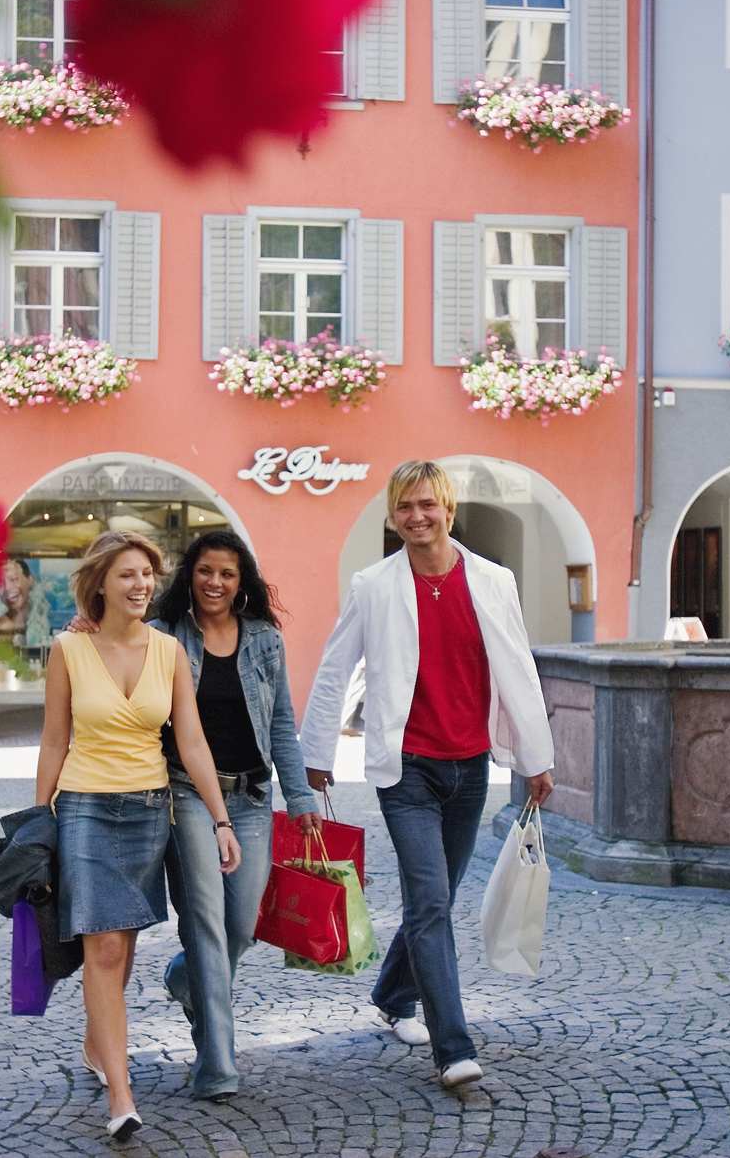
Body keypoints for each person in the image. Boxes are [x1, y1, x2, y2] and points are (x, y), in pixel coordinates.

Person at [300, 460, 555, 1089]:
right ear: (393, 516)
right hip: (405, 769)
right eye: (404, 508)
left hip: (470, 768)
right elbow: (335, 670)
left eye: (427, 505)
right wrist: (316, 754)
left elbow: (518, 668)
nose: (417, 517)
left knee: (434, 898)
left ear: (448, 509)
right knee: (431, 900)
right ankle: (453, 1048)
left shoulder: (494, 581)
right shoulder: (374, 585)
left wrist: (537, 757)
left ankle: (392, 994)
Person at [85, 530, 321, 1101]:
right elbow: (113, 646)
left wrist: (303, 795)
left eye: (228, 574)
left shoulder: (265, 639)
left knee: (241, 926)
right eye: (206, 571)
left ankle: (184, 978)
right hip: (186, 795)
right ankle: (218, 1063)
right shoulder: (163, 637)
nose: (215, 582)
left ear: (243, 584)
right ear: (190, 574)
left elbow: (282, 723)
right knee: (206, 927)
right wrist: (84, 633)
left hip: (254, 799)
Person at [35, 531, 242, 1141]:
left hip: (151, 810)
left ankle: (97, 1038)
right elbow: (54, 740)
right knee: (101, 948)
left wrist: (220, 819)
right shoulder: (67, 650)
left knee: (120, 950)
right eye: (127, 575)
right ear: (100, 583)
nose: (141, 585)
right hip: (84, 808)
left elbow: (192, 741)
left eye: (148, 575)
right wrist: (36, 820)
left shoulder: (170, 651)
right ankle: (121, 1098)